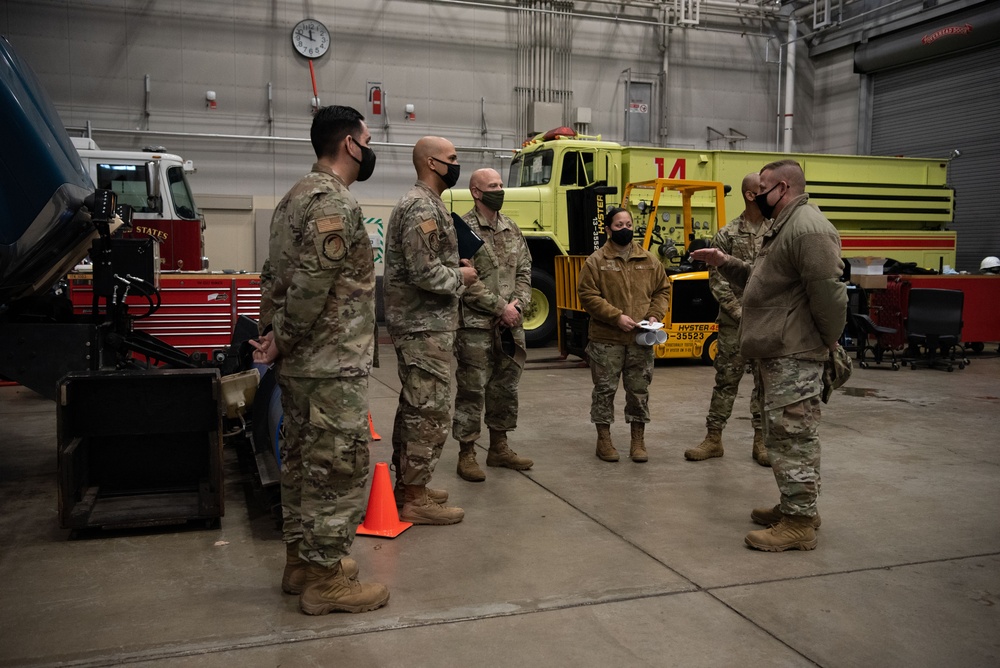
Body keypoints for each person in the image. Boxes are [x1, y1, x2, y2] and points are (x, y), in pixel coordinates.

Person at [251, 105, 389, 615]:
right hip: (330, 363)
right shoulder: (335, 203)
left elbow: (271, 277)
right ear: (350, 144)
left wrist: (272, 337)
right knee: (338, 468)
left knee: (303, 461)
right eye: (368, 139)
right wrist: (281, 337)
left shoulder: (292, 200)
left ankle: (302, 563)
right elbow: (310, 285)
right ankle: (326, 581)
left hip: (302, 364)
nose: (371, 148)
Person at [691, 159, 847, 552]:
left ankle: (799, 523)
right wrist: (726, 263)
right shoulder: (785, 225)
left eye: (763, 186)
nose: (757, 194)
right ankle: (797, 508)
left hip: (795, 352)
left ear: (782, 187)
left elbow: (829, 293)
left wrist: (828, 341)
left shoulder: (808, 228)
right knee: (783, 435)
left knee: (793, 436)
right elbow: (766, 283)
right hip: (780, 349)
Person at [384, 136, 479, 525]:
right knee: (429, 411)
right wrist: (463, 275)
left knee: (415, 407)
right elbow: (424, 273)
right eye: (452, 158)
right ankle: (416, 499)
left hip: (426, 325)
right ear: (431, 163)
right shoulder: (421, 205)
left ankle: (408, 487)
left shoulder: (429, 203)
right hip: (422, 326)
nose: (457, 164)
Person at [453, 168, 534, 482]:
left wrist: (517, 306)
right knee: (472, 391)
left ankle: (499, 447)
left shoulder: (511, 228)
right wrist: (501, 307)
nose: (499, 190)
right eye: (492, 186)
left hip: (510, 326)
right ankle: (467, 454)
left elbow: (525, 271)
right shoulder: (462, 230)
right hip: (475, 326)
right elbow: (466, 282)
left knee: (505, 388)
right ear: (475, 191)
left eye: (501, 185)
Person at [685, 172, 770, 466]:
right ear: (750, 194)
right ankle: (713, 438)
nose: (768, 192)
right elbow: (717, 280)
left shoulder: (777, 230)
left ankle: (762, 441)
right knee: (726, 379)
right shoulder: (728, 233)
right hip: (735, 322)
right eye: (763, 188)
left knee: (764, 382)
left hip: (768, 322)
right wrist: (738, 312)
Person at [577, 207, 670, 463]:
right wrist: (616, 317)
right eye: (619, 225)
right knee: (605, 391)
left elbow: (663, 290)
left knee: (639, 391)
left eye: (628, 224)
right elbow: (587, 295)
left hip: (640, 340)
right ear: (608, 229)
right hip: (607, 340)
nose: (625, 229)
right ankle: (604, 440)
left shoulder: (649, 260)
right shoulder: (596, 261)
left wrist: (655, 315)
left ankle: (637, 441)